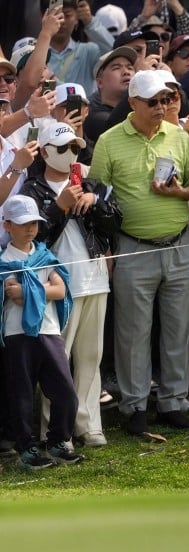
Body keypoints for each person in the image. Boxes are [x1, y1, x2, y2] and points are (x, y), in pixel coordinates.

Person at [89, 70, 189, 436]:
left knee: (177, 329)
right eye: (153, 101)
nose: (162, 107)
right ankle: (135, 405)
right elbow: (98, 198)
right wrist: (105, 250)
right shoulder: (109, 141)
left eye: (167, 100)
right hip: (132, 248)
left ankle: (173, 401)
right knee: (133, 333)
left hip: (180, 245)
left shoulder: (180, 137)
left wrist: (180, 193)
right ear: (133, 103)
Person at [20, 122, 121, 447]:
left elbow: (115, 225)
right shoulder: (32, 191)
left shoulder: (91, 183)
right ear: (46, 152)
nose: (72, 154)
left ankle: (89, 424)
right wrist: (58, 207)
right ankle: (56, 431)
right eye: (64, 148)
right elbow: (32, 237)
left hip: (95, 281)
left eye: (76, 148)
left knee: (91, 358)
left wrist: (96, 202)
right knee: (56, 363)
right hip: (56, 287)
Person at [0, 194, 83, 470]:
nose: (31, 229)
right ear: (7, 225)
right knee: (21, 394)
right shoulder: (4, 262)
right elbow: (13, 294)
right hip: (17, 335)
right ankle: (26, 448)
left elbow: (60, 290)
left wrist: (32, 289)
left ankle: (59, 441)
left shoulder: (46, 256)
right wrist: (43, 288)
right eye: (23, 223)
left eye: (34, 222)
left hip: (48, 332)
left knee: (65, 391)